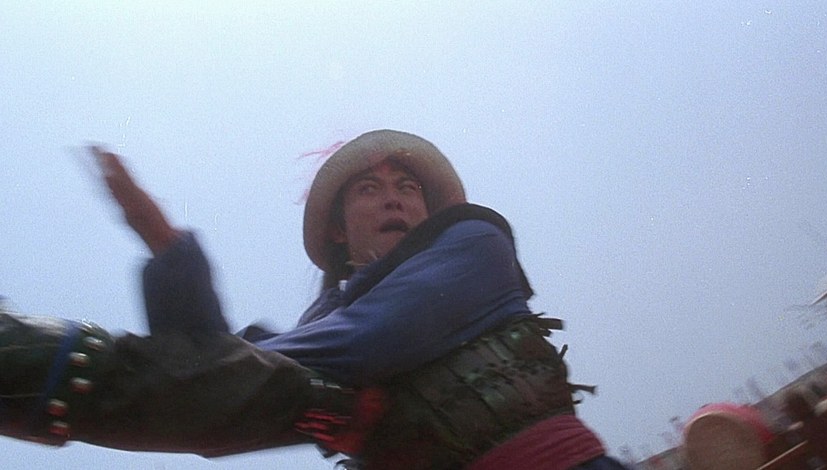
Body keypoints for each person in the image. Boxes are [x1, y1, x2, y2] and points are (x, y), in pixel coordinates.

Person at [2, 130, 627, 469]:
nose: (394, 197)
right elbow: (238, 385)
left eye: (407, 186)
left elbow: (270, 369)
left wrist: (213, 352)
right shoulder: (327, 322)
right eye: (369, 189)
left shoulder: (474, 244)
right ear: (338, 231)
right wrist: (168, 251)